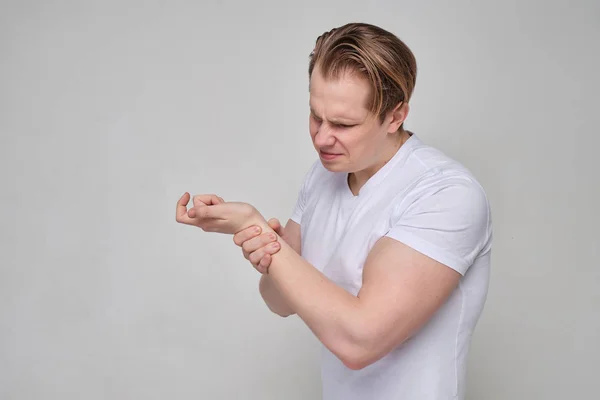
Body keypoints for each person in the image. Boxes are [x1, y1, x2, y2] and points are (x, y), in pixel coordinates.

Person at [176, 22, 492, 400]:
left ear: (395, 116)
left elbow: (361, 342)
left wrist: (257, 227)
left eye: (343, 124)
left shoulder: (445, 194)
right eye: (315, 116)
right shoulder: (325, 175)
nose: (322, 138)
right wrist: (259, 238)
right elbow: (277, 300)